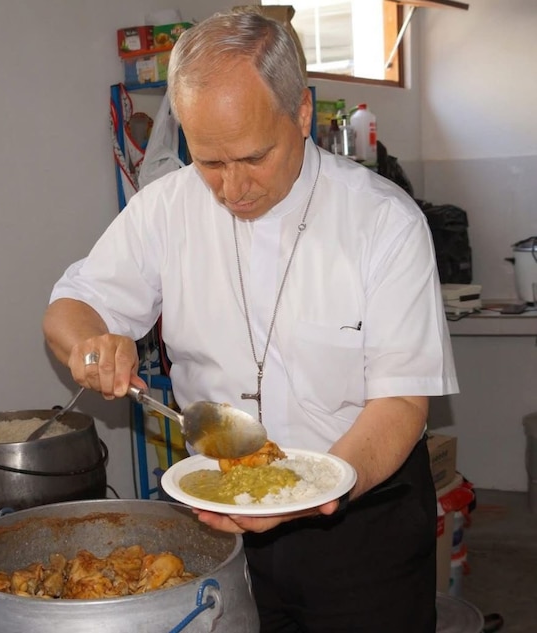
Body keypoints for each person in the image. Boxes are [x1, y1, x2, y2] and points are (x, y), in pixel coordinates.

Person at [43, 9, 458, 632]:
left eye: (253, 157)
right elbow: (71, 306)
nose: (232, 188)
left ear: (301, 113)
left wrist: (310, 492)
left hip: (361, 516)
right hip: (220, 512)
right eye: (209, 162)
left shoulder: (383, 222)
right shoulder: (167, 208)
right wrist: (91, 346)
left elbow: (400, 402)